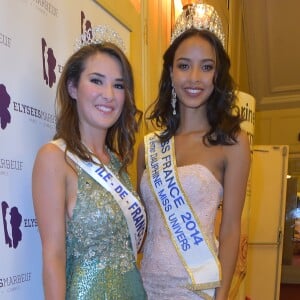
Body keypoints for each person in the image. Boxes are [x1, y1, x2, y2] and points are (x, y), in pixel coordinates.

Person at [137, 4, 250, 300]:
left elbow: (230, 230)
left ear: (218, 74)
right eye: (184, 65)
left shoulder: (233, 142)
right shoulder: (149, 146)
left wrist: (221, 296)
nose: (195, 77)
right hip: (145, 285)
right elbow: (141, 227)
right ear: (171, 73)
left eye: (207, 66)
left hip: (197, 290)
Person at [32, 25, 147, 300]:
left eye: (118, 85)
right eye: (96, 81)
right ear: (73, 87)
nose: (109, 94)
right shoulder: (54, 158)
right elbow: (53, 257)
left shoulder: (118, 163)